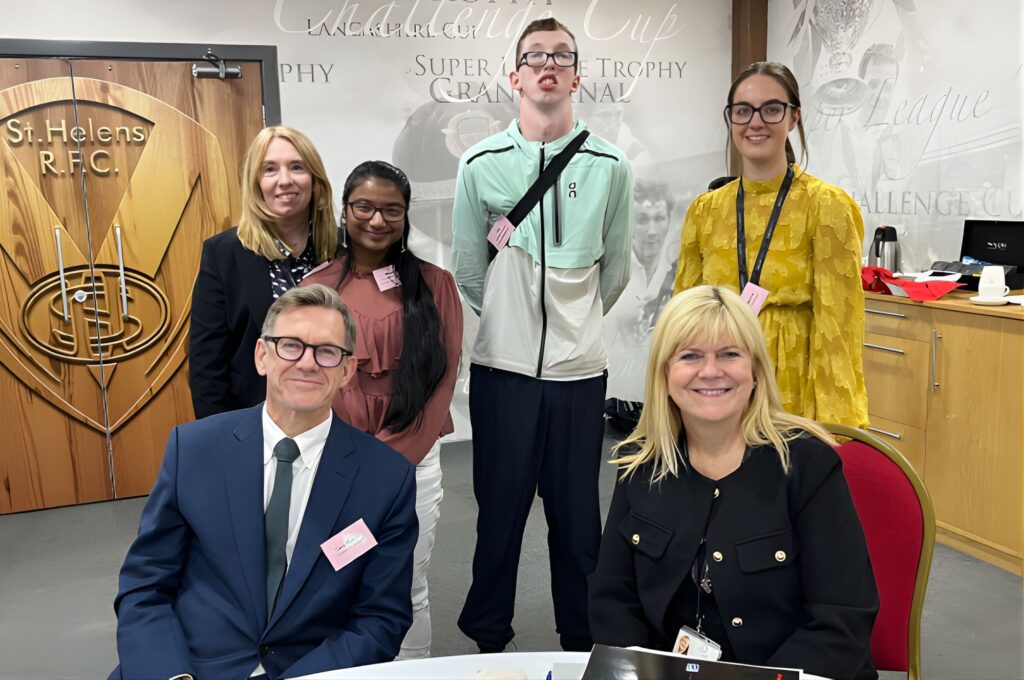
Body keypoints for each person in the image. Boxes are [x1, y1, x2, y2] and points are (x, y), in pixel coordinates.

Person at [111, 285, 417, 680]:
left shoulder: (386, 478)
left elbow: (380, 619)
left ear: (347, 371)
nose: (307, 363)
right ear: (261, 356)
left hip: (311, 671)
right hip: (194, 665)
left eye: (327, 351)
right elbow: (145, 584)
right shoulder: (194, 449)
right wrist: (171, 674)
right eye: (291, 346)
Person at [451, 17, 634, 653]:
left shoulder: (610, 166)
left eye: (561, 56)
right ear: (516, 76)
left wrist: (571, 329)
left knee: (578, 520)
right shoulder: (479, 164)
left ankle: (582, 641)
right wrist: (511, 322)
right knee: (498, 516)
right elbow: (469, 269)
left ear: (576, 77)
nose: (548, 65)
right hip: (502, 373)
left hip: (578, 376)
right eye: (535, 56)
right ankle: (487, 640)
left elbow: (616, 270)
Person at [588, 285, 878, 680]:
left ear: (755, 370)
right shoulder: (641, 465)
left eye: (729, 354)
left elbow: (841, 620)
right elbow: (612, 597)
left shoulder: (808, 467)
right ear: (665, 374)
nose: (711, 371)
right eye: (690, 356)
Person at [301, 160, 463, 659]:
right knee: (335, 577)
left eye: (391, 210)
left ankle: (412, 668)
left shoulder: (435, 284)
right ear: (344, 210)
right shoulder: (317, 287)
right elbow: (306, 381)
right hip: (334, 464)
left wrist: (387, 464)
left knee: (405, 581)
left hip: (411, 464)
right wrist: (347, 458)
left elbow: (442, 381)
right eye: (364, 207)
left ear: (406, 215)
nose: (377, 220)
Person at [673, 61, 868, 427]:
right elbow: (683, 318)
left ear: (794, 117)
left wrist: (836, 426)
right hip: (716, 383)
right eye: (743, 111)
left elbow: (839, 330)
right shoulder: (705, 210)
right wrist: (676, 406)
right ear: (730, 118)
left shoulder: (826, 206)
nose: (755, 122)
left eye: (772, 109)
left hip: (791, 390)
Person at [189, 126, 338, 419]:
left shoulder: (342, 249)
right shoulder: (223, 253)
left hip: (335, 419)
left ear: (315, 179)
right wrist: (224, 436)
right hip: (254, 422)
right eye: (270, 169)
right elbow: (207, 367)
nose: (284, 180)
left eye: (296, 167)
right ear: (256, 182)